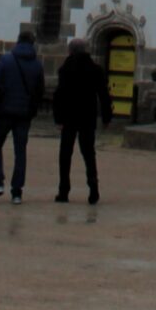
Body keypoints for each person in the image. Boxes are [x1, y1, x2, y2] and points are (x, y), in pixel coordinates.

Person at [0, 28, 44, 204]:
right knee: (20, 151)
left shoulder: (6, 60)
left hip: (4, 111)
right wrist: (32, 109)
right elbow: (40, 90)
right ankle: (17, 191)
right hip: (24, 113)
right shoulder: (37, 64)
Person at [53, 37, 113, 204]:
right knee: (88, 153)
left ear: (70, 51)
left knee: (65, 154)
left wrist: (58, 118)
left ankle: (63, 190)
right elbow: (104, 95)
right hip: (87, 115)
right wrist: (106, 117)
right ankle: (93, 188)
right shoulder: (95, 69)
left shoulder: (65, 68)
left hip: (69, 116)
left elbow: (59, 94)